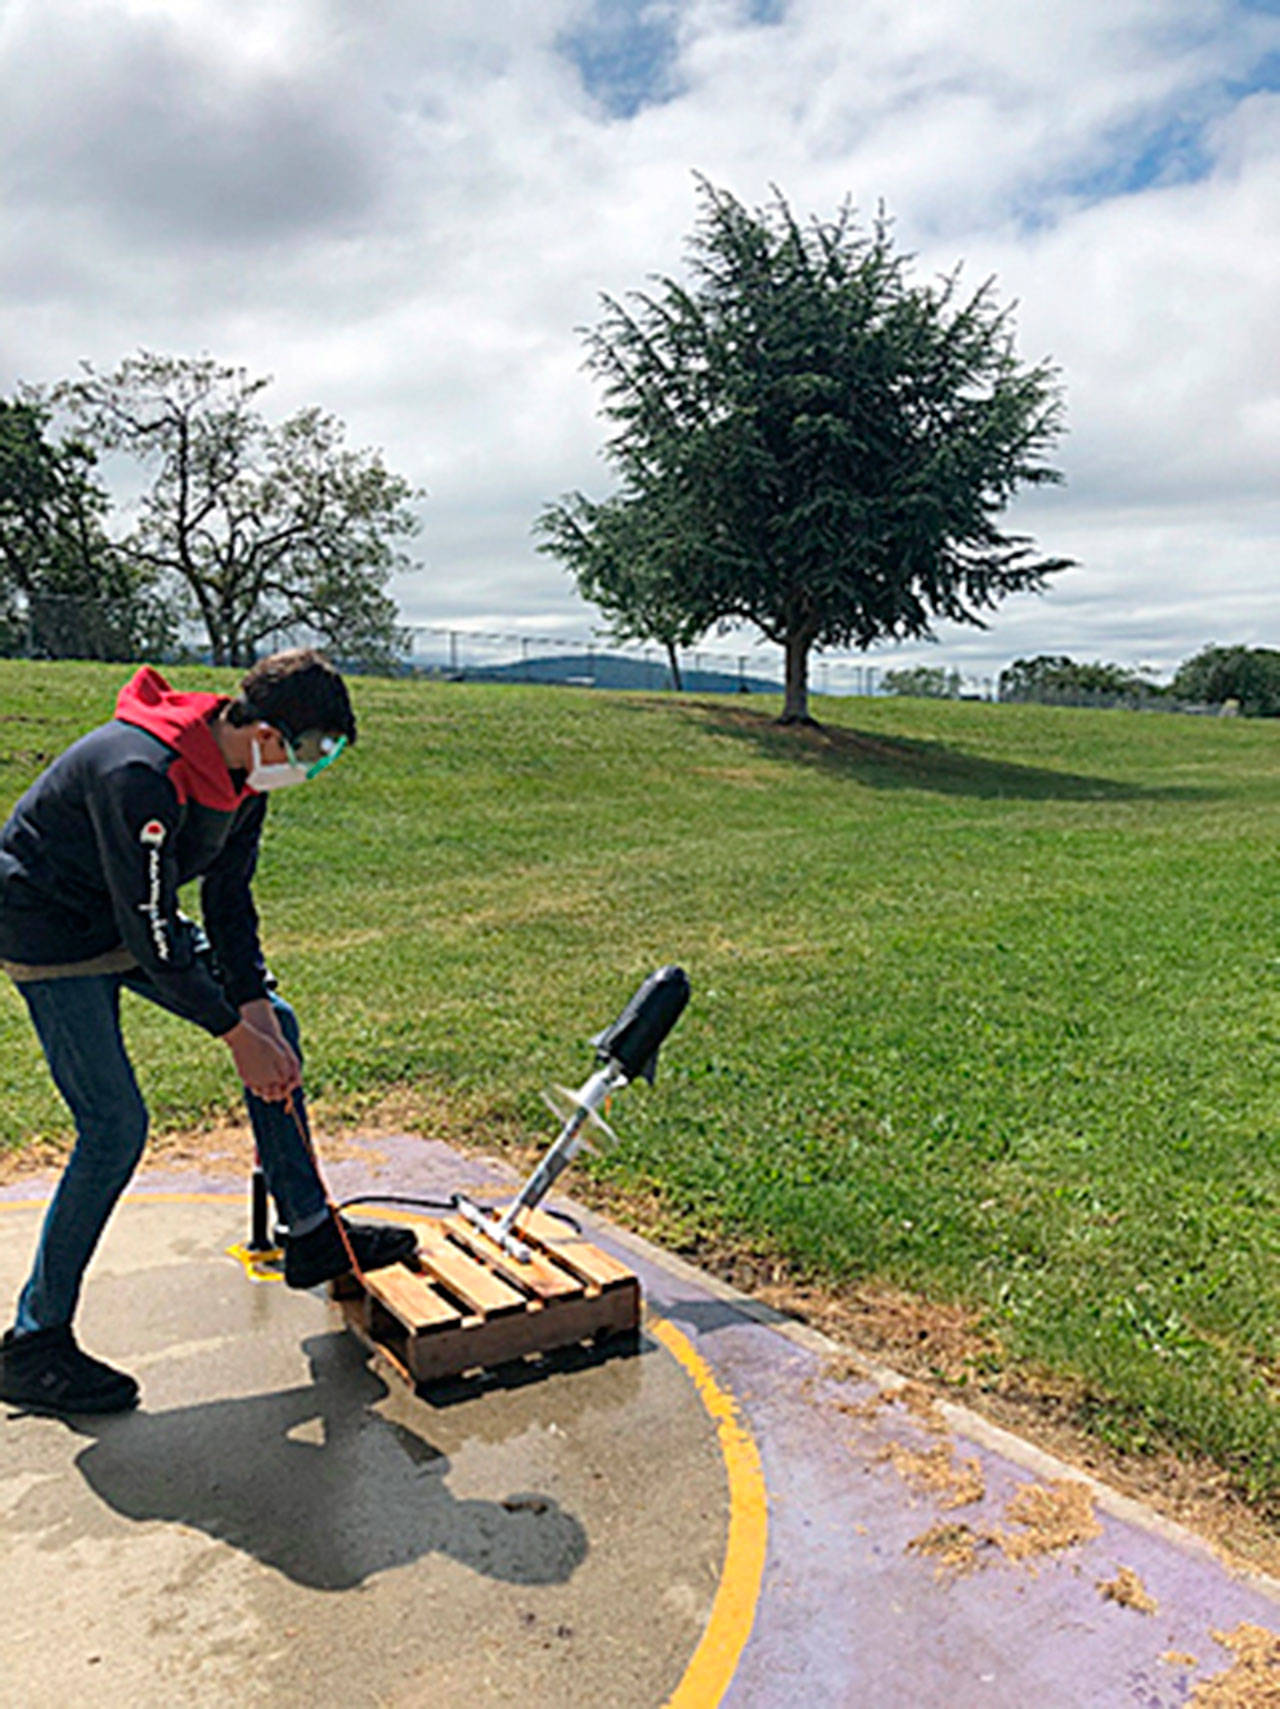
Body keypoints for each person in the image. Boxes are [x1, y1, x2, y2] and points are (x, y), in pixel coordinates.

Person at [0, 648, 417, 1415]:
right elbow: (153, 932)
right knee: (113, 1126)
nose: (310, 769)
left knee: (279, 1024)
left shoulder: (246, 778)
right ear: (260, 728)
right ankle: (34, 1342)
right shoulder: (139, 774)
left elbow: (228, 900)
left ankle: (311, 1232)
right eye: (308, 752)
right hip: (50, 929)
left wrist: (254, 1007)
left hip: (127, 915)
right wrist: (232, 1031)